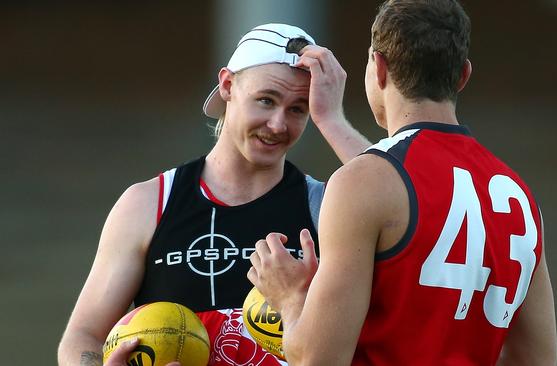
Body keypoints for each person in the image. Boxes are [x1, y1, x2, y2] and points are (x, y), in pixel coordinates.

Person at [249, 1, 557, 365]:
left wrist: (289, 299)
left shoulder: (362, 184)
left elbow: (319, 358)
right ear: (462, 76)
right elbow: (536, 359)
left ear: (378, 68)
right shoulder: (520, 199)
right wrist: (330, 120)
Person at [57, 23, 370, 366]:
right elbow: (83, 336)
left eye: (298, 109)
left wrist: (332, 119)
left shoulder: (328, 206)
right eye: (266, 100)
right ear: (227, 85)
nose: (279, 125)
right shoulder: (148, 203)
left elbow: (402, 201)